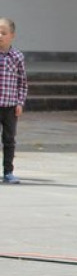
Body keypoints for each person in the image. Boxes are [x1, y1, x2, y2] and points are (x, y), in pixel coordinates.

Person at [0, 17, 27, 184]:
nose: (0, 36)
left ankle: (8, 171)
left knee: (9, 140)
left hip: (10, 106)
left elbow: (22, 83)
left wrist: (20, 102)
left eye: (3, 33)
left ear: (12, 36)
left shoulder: (17, 57)